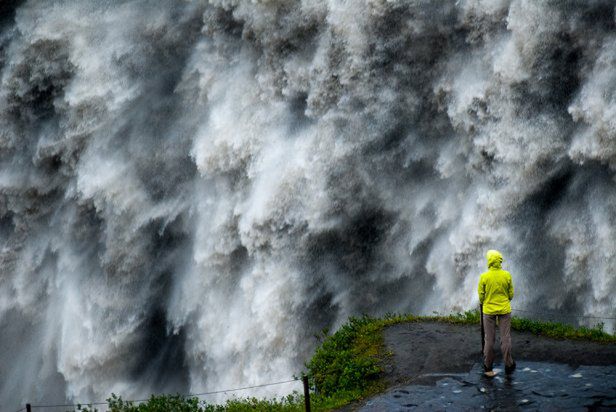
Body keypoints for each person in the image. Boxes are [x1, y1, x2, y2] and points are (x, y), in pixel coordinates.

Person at [478, 249, 516, 377]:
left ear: (489, 261)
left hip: (488, 312)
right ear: (500, 261)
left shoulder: (484, 277)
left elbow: (481, 297)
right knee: (505, 338)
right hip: (504, 310)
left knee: (489, 339)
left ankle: (488, 365)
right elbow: (511, 294)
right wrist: (504, 300)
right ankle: (509, 364)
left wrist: (487, 301)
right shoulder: (507, 275)